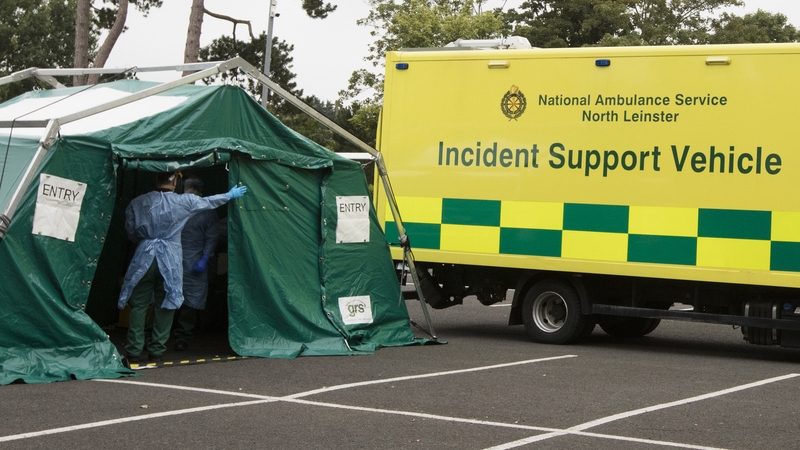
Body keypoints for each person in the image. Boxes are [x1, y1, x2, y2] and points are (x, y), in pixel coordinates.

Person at [118, 171, 247, 364]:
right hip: (169, 258)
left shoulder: (138, 202)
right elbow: (208, 202)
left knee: (139, 305)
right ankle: (157, 350)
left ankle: (134, 349)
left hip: (144, 256)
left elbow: (131, 230)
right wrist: (229, 195)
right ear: (175, 181)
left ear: (156, 180)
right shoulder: (183, 202)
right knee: (167, 302)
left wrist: (146, 240)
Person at [173, 175, 220, 351]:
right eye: (188, 186)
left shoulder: (207, 211)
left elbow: (212, 236)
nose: (191, 189)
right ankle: (155, 335)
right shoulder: (176, 206)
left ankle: (182, 336)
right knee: (165, 296)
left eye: (195, 187)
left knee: (190, 301)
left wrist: (205, 257)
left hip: (194, 259)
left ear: (201, 190)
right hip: (172, 256)